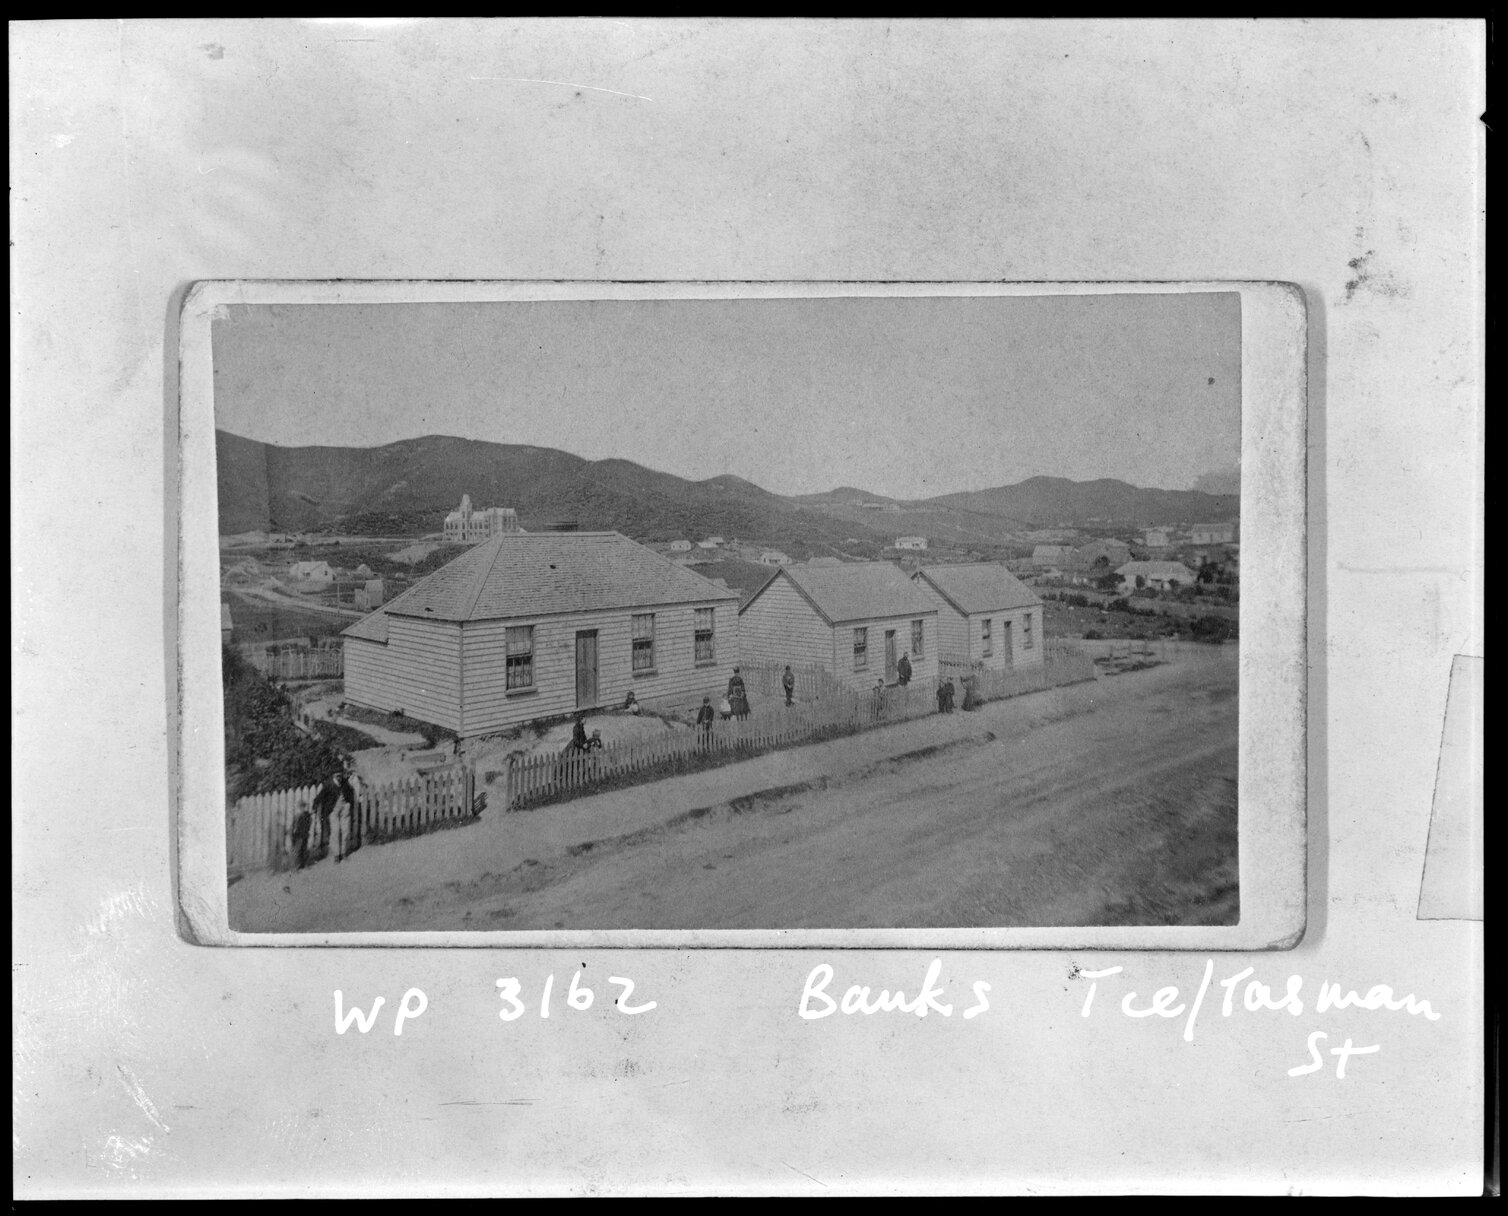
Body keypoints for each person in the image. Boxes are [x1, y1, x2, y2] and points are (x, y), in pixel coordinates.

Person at [312, 762, 355, 861]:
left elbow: (350, 792)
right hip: (333, 810)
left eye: (340, 775)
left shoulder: (345, 782)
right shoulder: (328, 785)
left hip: (344, 809)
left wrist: (349, 803)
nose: (339, 777)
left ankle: (343, 852)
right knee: (335, 832)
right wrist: (314, 805)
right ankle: (336, 854)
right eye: (337, 776)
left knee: (345, 831)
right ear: (333, 776)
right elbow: (320, 797)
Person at [289, 802, 313, 870]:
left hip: (304, 834)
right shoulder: (297, 816)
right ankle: (295, 866)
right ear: (299, 807)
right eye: (301, 807)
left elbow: (310, 822)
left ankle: (304, 864)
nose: (302, 808)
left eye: (303, 807)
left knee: (304, 849)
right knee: (297, 850)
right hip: (298, 835)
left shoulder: (307, 815)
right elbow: (293, 825)